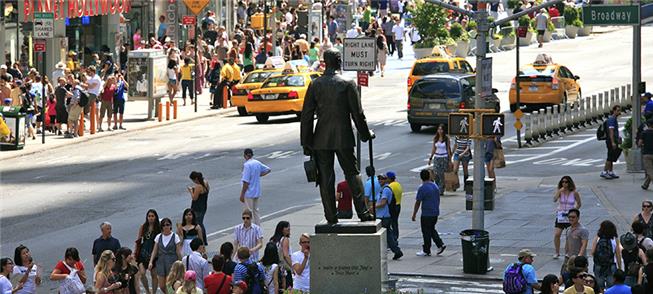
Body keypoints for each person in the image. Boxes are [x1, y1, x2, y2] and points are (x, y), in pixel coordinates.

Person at [412, 169, 446, 256]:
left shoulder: (422, 188)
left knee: (426, 232)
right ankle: (440, 244)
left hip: (427, 213)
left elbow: (418, 202)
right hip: (435, 212)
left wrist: (414, 214)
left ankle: (426, 250)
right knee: (431, 229)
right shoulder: (435, 186)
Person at [149, 218, 183, 294]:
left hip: (172, 262)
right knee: (161, 285)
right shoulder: (158, 237)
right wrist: (151, 262)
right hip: (161, 262)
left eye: (167, 225)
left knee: (169, 284)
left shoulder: (175, 236)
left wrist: (180, 262)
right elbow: (154, 251)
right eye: (164, 225)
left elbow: (178, 251)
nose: (166, 227)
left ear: (170, 225)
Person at [240, 149, 271, 225]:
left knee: (248, 212)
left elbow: (246, 182)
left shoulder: (247, 165)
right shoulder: (257, 163)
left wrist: (242, 194)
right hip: (256, 191)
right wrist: (259, 175)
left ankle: (250, 228)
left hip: (248, 192)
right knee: (256, 211)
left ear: (245, 155)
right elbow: (268, 169)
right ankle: (258, 228)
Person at [554, 176, 582, 259]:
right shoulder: (560, 191)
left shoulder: (574, 193)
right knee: (557, 234)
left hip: (570, 216)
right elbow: (554, 199)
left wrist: (574, 210)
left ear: (569, 183)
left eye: (566, 182)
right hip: (561, 214)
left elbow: (579, 203)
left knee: (568, 234)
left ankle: (567, 252)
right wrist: (559, 191)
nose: (564, 184)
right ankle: (557, 251)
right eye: (563, 182)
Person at [376, 175, 404, 260]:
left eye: (382, 179)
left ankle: (394, 251)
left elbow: (383, 203)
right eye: (379, 179)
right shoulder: (383, 189)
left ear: (386, 180)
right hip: (383, 215)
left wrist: (373, 207)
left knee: (384, 235)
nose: (380, 180)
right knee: (388, 235)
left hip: (384, 216)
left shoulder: (386, 190)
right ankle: (397, 251)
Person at [591, 220, 622, 290]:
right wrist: (619, 267)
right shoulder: (614, 239)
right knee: (611, 287)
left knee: (600, 286)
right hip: (611, 265)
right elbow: (618, 255)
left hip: (598, 265)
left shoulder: (598, 238)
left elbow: (592, 252)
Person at [136, 209, 160, 294]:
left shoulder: (159, 227)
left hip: (154, 253)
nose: (150, 218)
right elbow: (138, 240)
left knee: (154, 275)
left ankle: (153, 292)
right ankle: (147, 291)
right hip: (143, 252)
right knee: (142, 273)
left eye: (152, 216)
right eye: (149, 216)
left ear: (155, 217)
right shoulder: (143, 227)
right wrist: (135, 253)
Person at [428, 124, 451, 196]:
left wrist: (450, 160)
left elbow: (448, 149)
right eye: (439, 129)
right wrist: (430, 158)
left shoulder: (446, 138)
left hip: (444, 158)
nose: (440, 131)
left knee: (441, 174)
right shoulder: (435, 138)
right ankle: (437, 187)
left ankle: (441, 190)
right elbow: (433, 149)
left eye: (441, 129)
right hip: (437, 157)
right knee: (436, 174)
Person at [188, 171, 210, 246]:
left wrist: (191, 191)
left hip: (197, 207)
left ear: (196, 179)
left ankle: (201, 240)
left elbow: (194, 198)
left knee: (198, 224)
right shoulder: (205, 183)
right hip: (203, 206)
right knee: (200, 223)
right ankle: (204, 240)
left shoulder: (198, 186)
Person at [268, 222, 292, 290]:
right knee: (287, 288)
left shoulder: (272, 239)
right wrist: (292, 266)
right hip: (283, 268)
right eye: (287, 227)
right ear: (282, 229)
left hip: (273, 267)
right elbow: (286, 255)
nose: (289, 229)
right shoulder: (285, 239)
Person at [601, 105, 622, 179]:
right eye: (618, 110)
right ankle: (604, 172)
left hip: (613, 140)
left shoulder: (614, 119)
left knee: (612, 156)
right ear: (614, 111)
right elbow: (611, 131)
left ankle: (610, 171)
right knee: (610, 157)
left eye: (619, 110)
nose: (619, 112)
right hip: (610, 140)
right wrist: (613, 142)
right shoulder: (612, 120)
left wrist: (618, 138)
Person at [386, 171, 403, 241]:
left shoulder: (390, 186)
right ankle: (396, 236)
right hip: (398, 205)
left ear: (389, 178)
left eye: (387, 178)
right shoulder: (398, 184)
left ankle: (393, 237)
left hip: (392, 206)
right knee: (395, 222)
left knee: (391, 223)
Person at [639, 118, 653, 190]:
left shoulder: (644, 133)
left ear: (647, 125)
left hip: (647, 154)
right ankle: (645, 185)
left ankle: (646, 185)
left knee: (650, 171)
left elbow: (639, 143)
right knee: (651, 170)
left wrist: (642, 145)